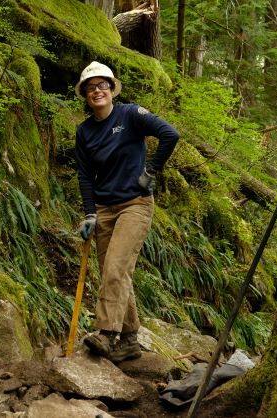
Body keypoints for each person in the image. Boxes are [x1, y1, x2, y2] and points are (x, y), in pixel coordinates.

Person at [73, 61, 180, 363]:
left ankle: (106, 334)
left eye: (103, 84)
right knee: (116, 272)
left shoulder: (130, 114)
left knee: (115, 267)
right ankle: (130, 338)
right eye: (91, 87)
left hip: (136, 204)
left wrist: (152, 171)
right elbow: (84, 175)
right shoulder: (84, 132)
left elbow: (170, 134)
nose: (98, 90)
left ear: (112, 88)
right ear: (85, 94)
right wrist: (90, 213)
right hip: (105, 209)